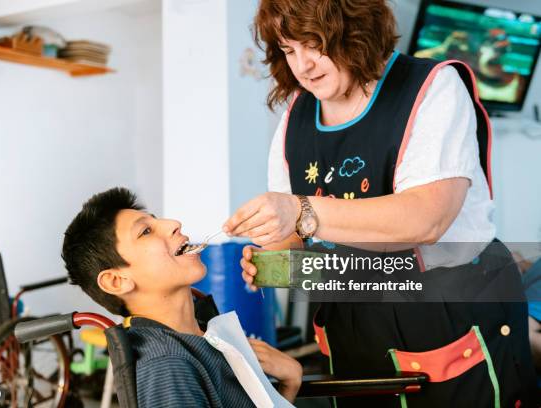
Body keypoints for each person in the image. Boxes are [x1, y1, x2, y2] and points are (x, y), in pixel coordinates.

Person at [223, 0, 537, 406]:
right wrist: (276, 262)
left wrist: (300, 211)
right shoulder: (295, 118)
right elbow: (300, 241)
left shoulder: (432, 87)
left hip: (449, 318)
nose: (303, 66)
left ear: (356, 30)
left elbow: (428, 219)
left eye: (314, 44)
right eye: (288, 50)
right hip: (352, 325)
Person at [61, 187, 302, 406]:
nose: (174, 223)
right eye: (146, 231)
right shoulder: (167, 366)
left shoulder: (205, 335)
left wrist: (289, 383)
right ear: (117, 281)